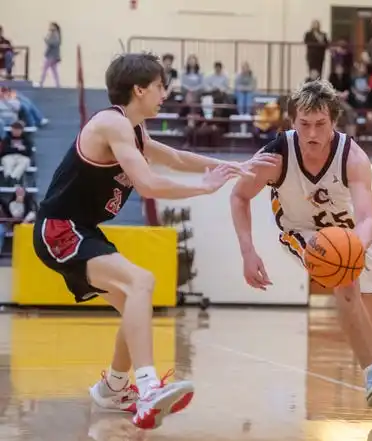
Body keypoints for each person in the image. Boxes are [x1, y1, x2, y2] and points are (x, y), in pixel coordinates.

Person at [32, 53, 277, 429]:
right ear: (139, 88)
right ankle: (147, 386)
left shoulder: (133, 130)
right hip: (60, 229)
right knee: (141, 281)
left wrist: (229, 166)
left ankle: (113, 387)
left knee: (135, 300)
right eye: (162, 86)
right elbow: (147, 184)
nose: (166, 93)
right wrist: (203, 188)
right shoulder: (111, 124)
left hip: (82, 229)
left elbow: (176, 158)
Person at [229, 79, 372, 409]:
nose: (312, 133)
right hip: (301, 231)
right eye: (304, 124)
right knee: (345, 281)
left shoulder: (353, 157)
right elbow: (239, 195)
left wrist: (354, 247)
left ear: (333, 121)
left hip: (354, 233)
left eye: (320, 124)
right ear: (292, 122)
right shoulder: (276, 155)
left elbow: (368, 219)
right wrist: (247, 251)